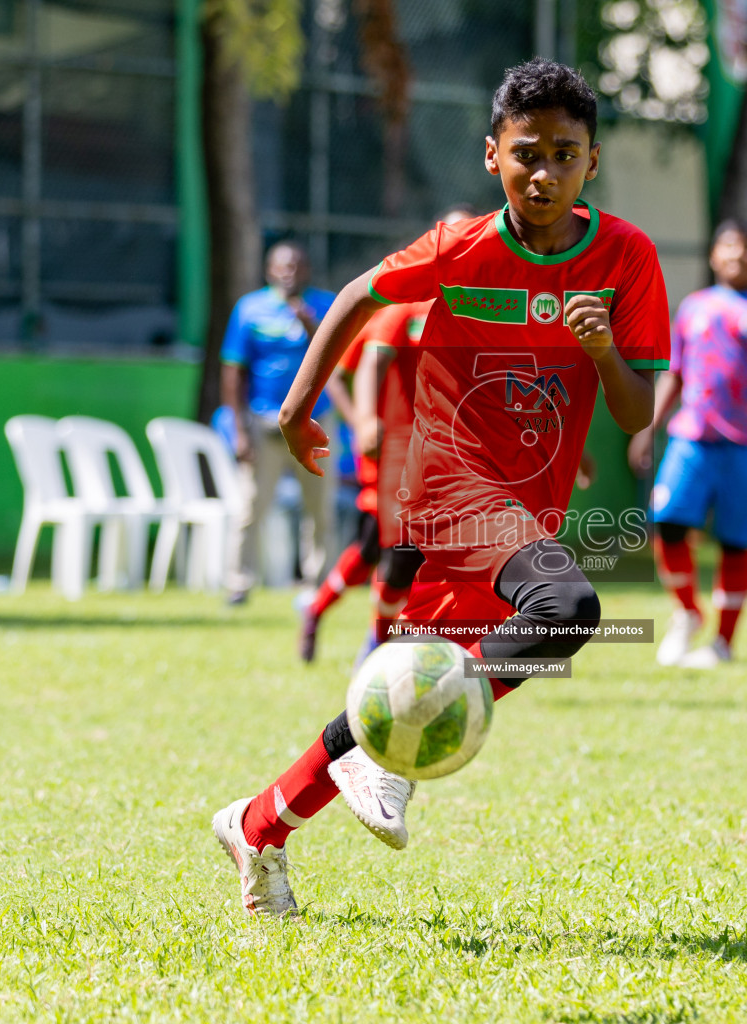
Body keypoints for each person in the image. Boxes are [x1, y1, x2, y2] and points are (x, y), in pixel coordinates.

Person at [211, 58, 668, 915]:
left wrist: (603, 348)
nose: (545, 171)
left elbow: (637, 405)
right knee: (569, 613)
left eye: (565, 154)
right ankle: (383, 762)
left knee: (421, 683)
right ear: (491, 155)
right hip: (449, 488)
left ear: (592, 164)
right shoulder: (460, 248)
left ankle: (260, 820)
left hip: (530, 503)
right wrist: (297, 406)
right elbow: (355, 296)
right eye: (526, 151)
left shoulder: (627, 259)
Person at [297, 206, 478, 664]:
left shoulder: (477, 306)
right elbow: (366, 365)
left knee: (381, 550)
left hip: (449, 458)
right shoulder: (408, 302)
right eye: (451, 233)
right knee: (395, 552)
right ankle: (378, 645)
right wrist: (362, 420)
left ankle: (356, 629)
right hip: (396, 454)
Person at [628, 220, 747, 668]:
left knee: (735, 542)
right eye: (729, 246)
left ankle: (722, 644)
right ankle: (687, 612)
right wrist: (647, 426)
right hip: (692, 438)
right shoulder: (693, 308)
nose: (737, 255)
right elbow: (675, 373)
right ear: (713, 255)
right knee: (667, 523)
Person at [220, 240, 351, 604]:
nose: (289, 272)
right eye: (282, 266)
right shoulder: (250, 309)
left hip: (315, 423)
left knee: (319, 509)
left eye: (296, 266)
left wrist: (311, 326)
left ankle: (316, 586)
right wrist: (239, 431)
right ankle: (239, 584)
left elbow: (339, 361)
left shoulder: (325, 305)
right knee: (250, 507)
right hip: (264, 424)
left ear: (307, 270)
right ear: (268, 270)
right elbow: (233, 371)